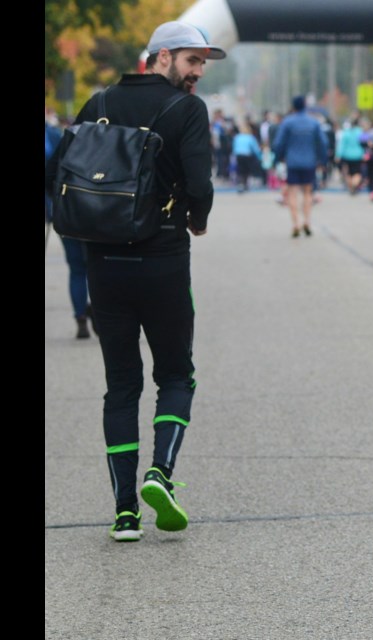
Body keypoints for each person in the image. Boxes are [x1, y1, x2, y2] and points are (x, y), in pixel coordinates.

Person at [45, 21, 226, 540]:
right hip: (164, 258)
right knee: (175, 376)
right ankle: (159, 474)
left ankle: (125, 513)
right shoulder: (186, 110)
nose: (197, 74)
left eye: (202, 65)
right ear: (162, 56)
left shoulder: (98, 100)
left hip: (104, 264)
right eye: (192, 61)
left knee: (120, 385)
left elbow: (58, 172)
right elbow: (200, 183)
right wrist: (198, 218)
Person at [46, 113, 94, 339]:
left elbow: (49, 176)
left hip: (66, 213)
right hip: (94, 215)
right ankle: (98, 312)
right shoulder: (100, 147)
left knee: (76, 268)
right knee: (96, 266)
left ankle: (80, 316)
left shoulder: (60, 138)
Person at [273, 95, 327, 238]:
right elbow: (323, 143)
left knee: (292, 193)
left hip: (292, 162)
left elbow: (279, 143)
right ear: (305, 105)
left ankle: (295, 223)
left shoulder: (287, 122)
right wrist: (323, 160)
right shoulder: (313, 122)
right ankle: (307, 221)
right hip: (309, 162)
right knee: (308, 192)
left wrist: (277, 158)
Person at [231, 120, 262, 194]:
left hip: (238, 155)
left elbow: (234, 147)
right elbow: (255, 149)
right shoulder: (250, 137)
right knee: (247, 170)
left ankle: (240, 185)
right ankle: (245, 184)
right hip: (247, 155)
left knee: (240, 170)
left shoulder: (237, 137)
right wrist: (259, 157)